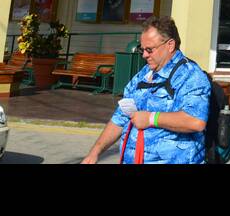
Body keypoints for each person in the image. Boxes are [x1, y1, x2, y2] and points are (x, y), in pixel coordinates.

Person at [82, 16, 210, 164]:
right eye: (142, 50)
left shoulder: (190, 74)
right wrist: (95, 152)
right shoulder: (144, 74)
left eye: (150, 50)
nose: (144, 55)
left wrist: (151, 118)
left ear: (170, 45)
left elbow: (195, 121)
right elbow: (120, 118)